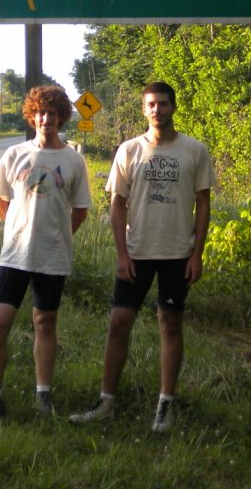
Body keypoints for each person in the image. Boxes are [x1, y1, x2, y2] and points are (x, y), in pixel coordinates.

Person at [70, 82, 215, 433]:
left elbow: (203, 204)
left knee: (170, 324)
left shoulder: (194, 150)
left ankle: (166, 405)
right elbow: (116, 205)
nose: (157, 110)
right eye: (151, 104)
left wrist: (197, 254)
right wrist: (122, 253)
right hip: (136, 253)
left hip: (177, 253)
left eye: (163, 104)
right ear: (143, 109)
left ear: (173, 107)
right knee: (119, 322)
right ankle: (106, 401)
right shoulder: (129, 150)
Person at [0, 84, 91, 425]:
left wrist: (55, 236)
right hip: (14, 256)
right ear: (32, 115)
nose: (46, 118)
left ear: (60, 117)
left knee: (45, 323)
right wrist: (20, 230)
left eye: (52, 113)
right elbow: (0, 202)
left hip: (53, 257)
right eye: (40, 112)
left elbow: (80, 210)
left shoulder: (73, 160)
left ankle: (44, 396)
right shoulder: (13, 154)